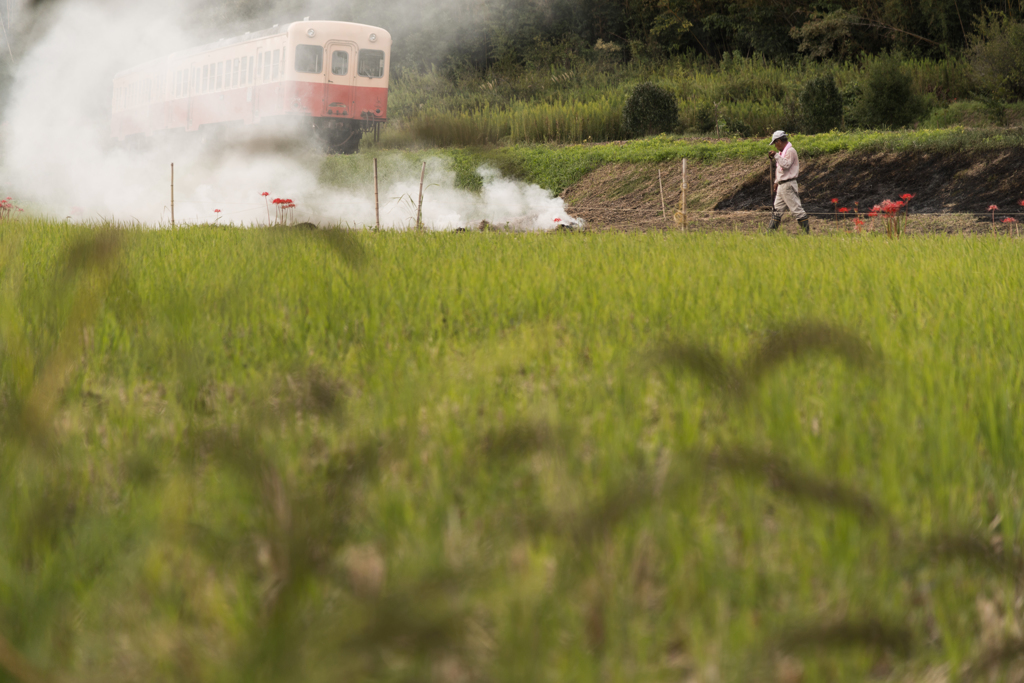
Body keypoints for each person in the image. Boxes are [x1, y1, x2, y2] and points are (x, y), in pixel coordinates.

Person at [767, 130, 810, 234]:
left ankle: (807, 233)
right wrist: (776, 182)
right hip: (782, 185)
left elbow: (786, 165)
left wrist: (776, 156)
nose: (775, 146)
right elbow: (780, 170)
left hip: (788, 185)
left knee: (796, 209)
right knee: (777, 210)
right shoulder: (783, 152)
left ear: (779, 141)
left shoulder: (790, 151)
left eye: (775, 143)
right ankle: (770, 233)